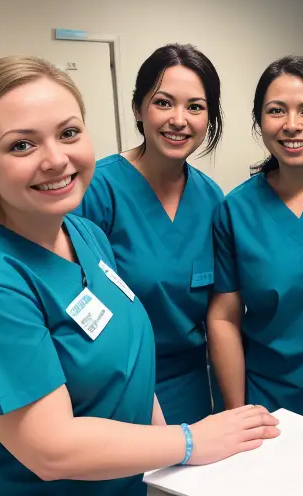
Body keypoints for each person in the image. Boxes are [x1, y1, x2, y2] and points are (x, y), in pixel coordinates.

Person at [0, 56, 278, 496]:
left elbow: (131, 359)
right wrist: (189, 441)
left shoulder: (82, 233)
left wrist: (166, 456)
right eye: (21, 146)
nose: (55, 160)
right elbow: (52, 450)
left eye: (68, 133)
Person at [208, 55, 303, 427]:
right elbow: (224, 317)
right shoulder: (236, 209)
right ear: (260, 122)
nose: (292, 126)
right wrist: (237, 412)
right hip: (270, 404)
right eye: (277, 111)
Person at [77, 44, 224, 424]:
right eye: (163, 103)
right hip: (112, 387)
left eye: (195, 106)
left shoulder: (212, 199)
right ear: (138, 108)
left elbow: (220, 311)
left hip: (191, 387)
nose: (179, 119)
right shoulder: (97, 190)